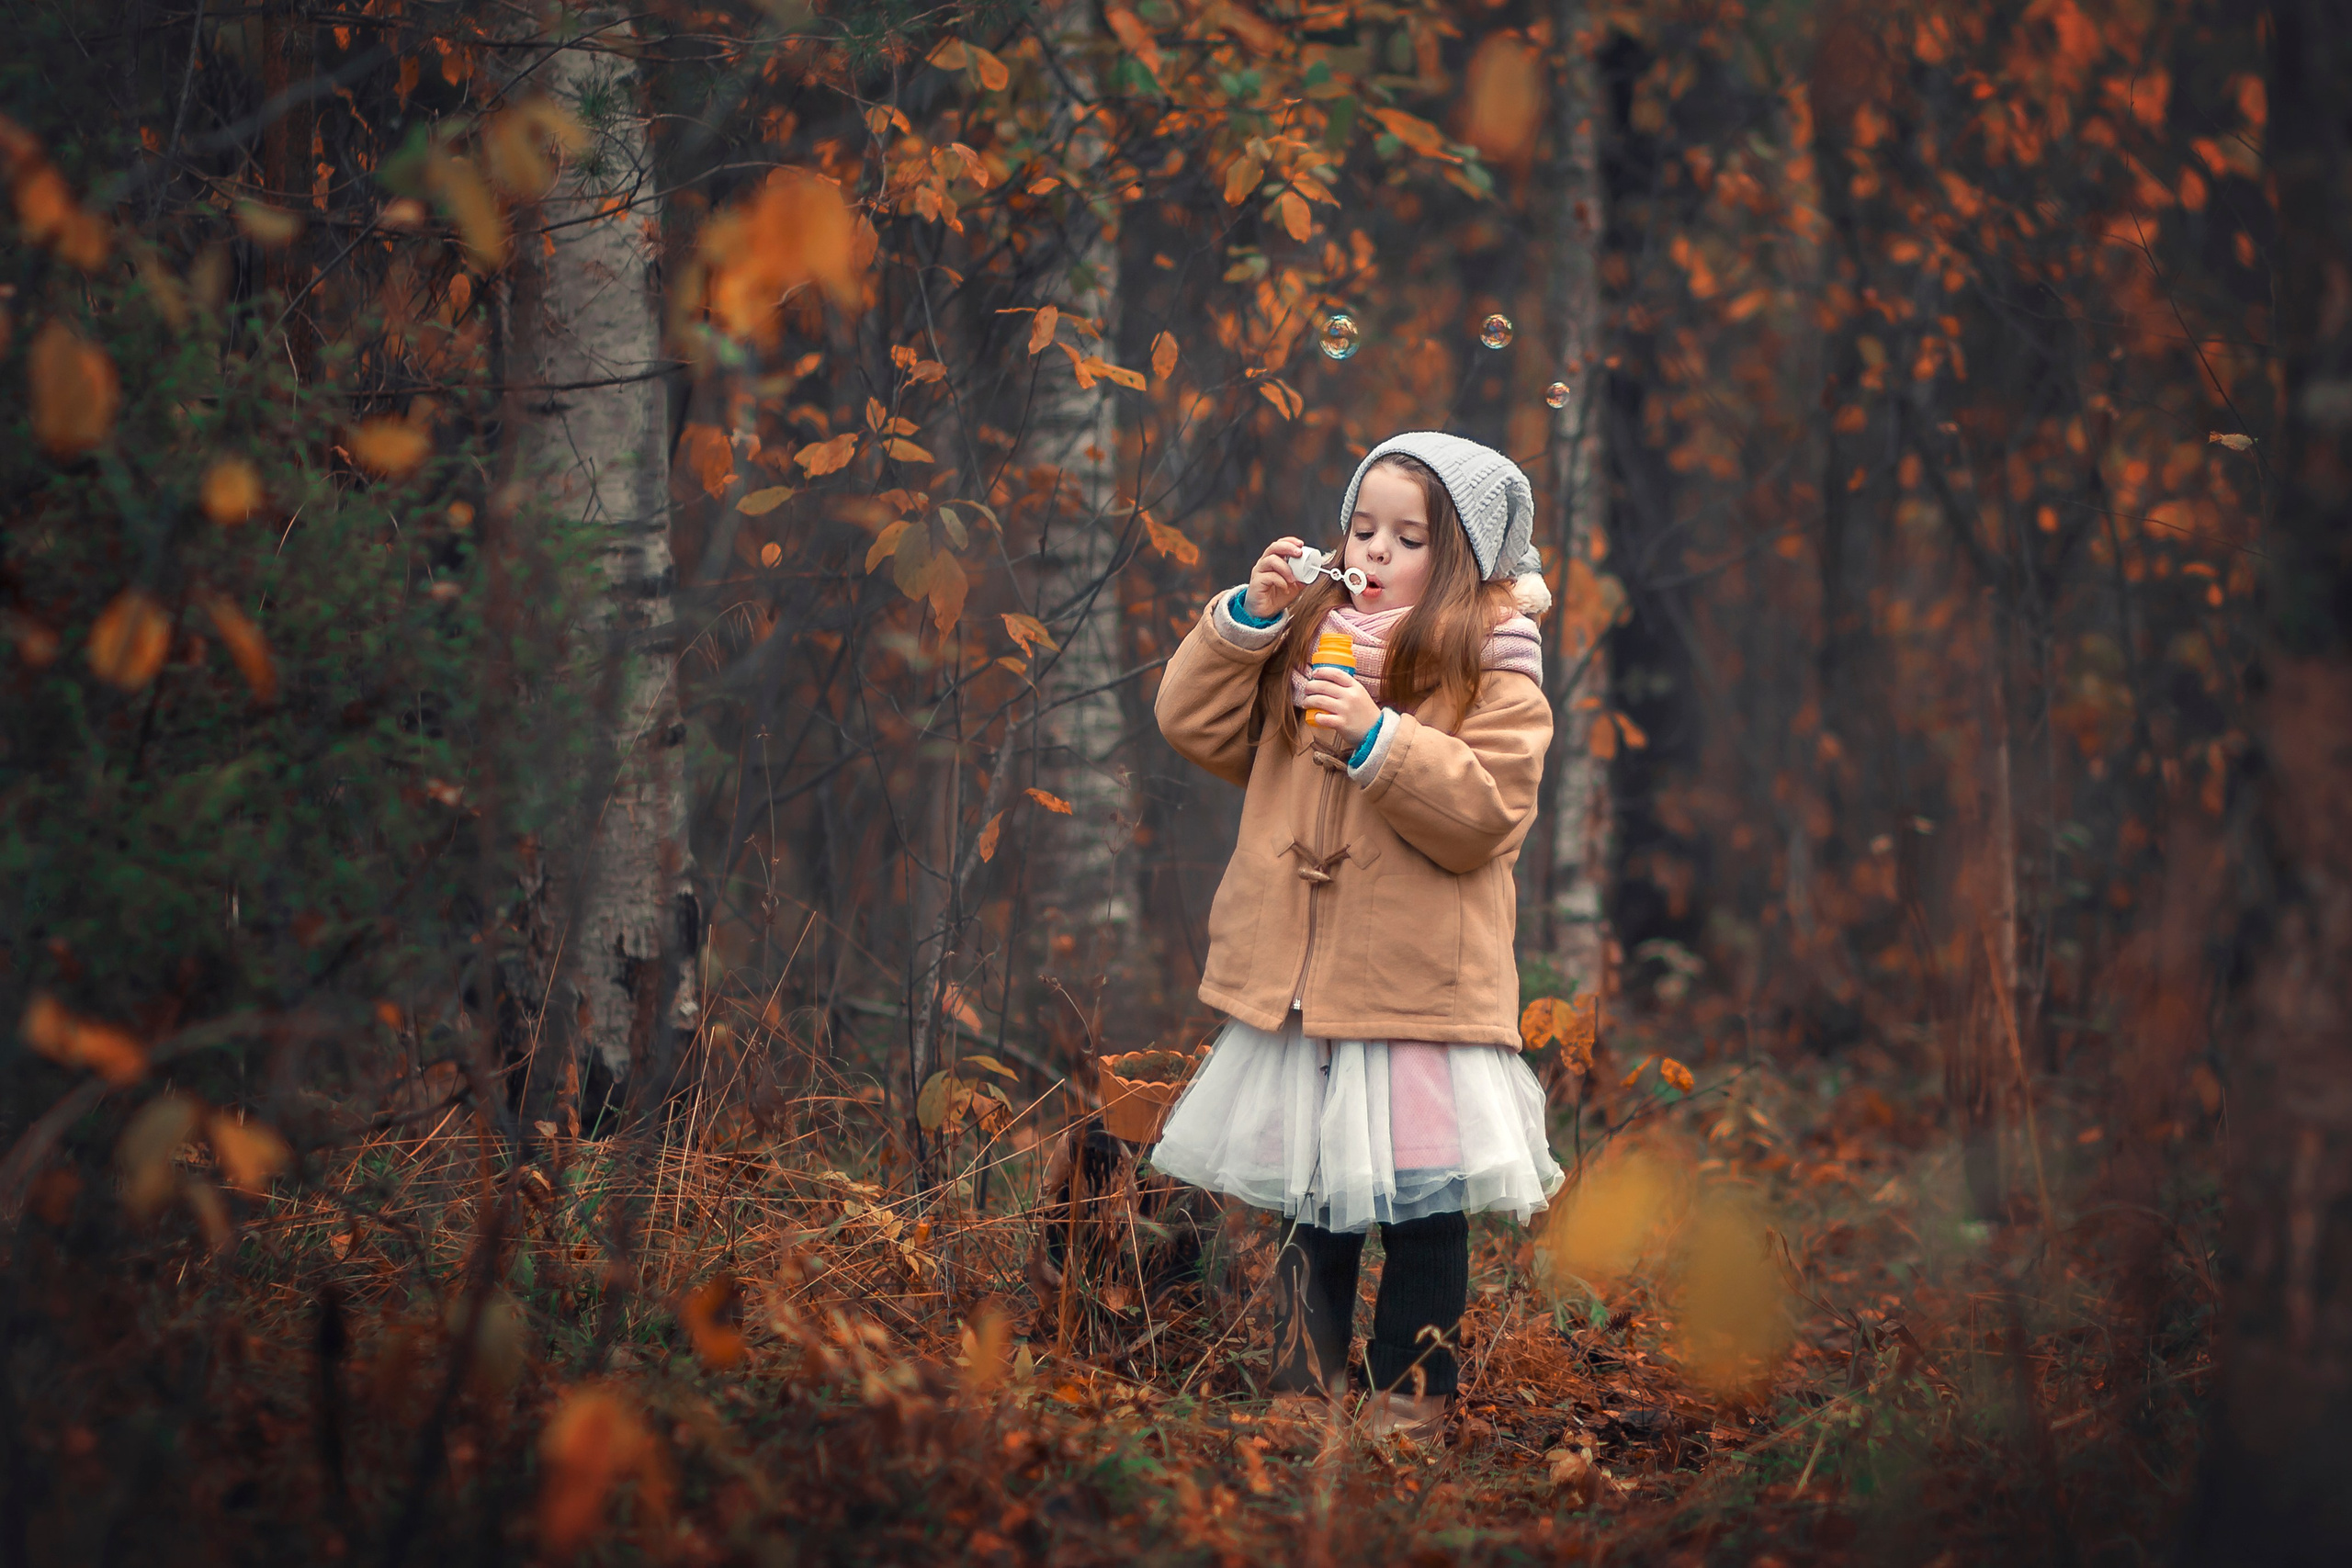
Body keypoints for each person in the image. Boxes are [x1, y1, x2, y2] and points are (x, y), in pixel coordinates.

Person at [1149, 431, 1566, 1442]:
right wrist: (1251, 621)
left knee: (1423, 1209)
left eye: (1407, 538)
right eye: (1362, 528)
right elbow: (1197, 728)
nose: (1374, 550)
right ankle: (1303, 1390)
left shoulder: (1492, 669)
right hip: (1307, 983)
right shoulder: (1306, 641)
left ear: (1460, 560)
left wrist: (1380, 738)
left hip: (1417, 993)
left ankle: (1411, 1397)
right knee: (1311, 1201)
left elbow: (1489, 813)